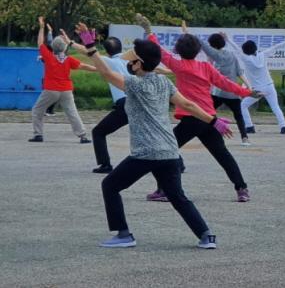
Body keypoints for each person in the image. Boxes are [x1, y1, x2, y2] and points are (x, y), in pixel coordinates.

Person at [70, 27, 224, 249]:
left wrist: (91, 48)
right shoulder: (164, 82)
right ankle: (206, 235)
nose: (129, 63)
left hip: (146, 152)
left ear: (139, 64)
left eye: (132, 60)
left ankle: (124, 235)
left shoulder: (134, 85)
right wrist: (213, 121)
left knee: (110, 185)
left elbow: (106, 74)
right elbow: (188, 104)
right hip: (170, 151)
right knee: (177, 196)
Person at [140, 15, 256, 203]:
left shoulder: (178, 66)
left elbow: (159, 51)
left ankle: (164, 190)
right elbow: (226, 83)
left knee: (163, 150)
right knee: (223, 155)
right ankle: (241, 189)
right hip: (209, 118)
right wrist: (246, 92)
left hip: (192, 118)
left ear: (178, 49)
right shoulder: (205, 67)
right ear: (198, 50)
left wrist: (149, 32)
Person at [29, 16, 93, 143]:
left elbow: (40, 43)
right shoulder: (69, 60)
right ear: (65, 47)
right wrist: (98, 69)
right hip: (66, 90)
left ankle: (38, 135)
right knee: (72, 112)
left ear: (53, 46)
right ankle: (83, 136)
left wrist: (41, 27)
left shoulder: (48, 56)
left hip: (50, 89)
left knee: (37, 110)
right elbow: (84, 66)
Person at [228, 31, 285, 135]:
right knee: (275, 107)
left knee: (243, 106)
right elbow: (275, 47)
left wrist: (227, 39)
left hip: (257, 90)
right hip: (269, 86)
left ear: (245, 51)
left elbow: (237, 49)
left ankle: (250, 127)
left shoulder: (246, 59)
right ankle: (283, 126)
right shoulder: (263, 55)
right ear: (255, 48)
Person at [89, 30, 132, 172]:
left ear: (107, 51)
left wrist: (71, 42)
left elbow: (89, 52)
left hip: (124, 104)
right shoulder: (128, 60)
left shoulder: (108, 61)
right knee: (151, 131)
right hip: (139, 101)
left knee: (98, 132)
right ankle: (177, 162)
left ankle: (105, 164)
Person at [201, 30, 251, 146]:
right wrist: (249, 87)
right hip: (232, 92)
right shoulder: (232, 55)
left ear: (212, 46)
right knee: (239, 116)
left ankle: (209, 134)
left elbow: (209, 71)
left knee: (208, 112)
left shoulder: (215, 56)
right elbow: (240, 73)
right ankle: (244, 138)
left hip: (218, 91)